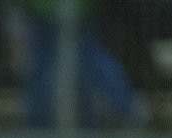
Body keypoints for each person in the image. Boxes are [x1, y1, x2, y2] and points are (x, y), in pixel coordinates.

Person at [11, 0, 144, 130]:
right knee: (46, 63)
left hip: (65, 10)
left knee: (79, 58)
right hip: (45, 11)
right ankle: (124, 106)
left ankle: (124, 106)